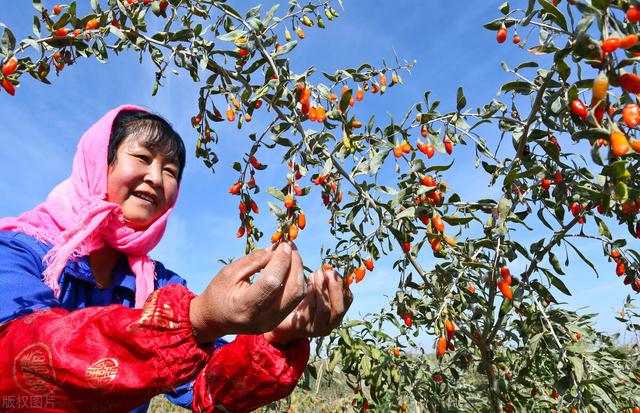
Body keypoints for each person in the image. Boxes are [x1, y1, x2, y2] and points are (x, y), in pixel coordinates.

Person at [0, 104, 352, 412]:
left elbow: (208, 390)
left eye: (170, 171)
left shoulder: (158, 285)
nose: (156, 178)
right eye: (142, 157)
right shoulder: (17, 250)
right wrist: (195, 320)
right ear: (98, 163)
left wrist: (278, 337)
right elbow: (19, 362)